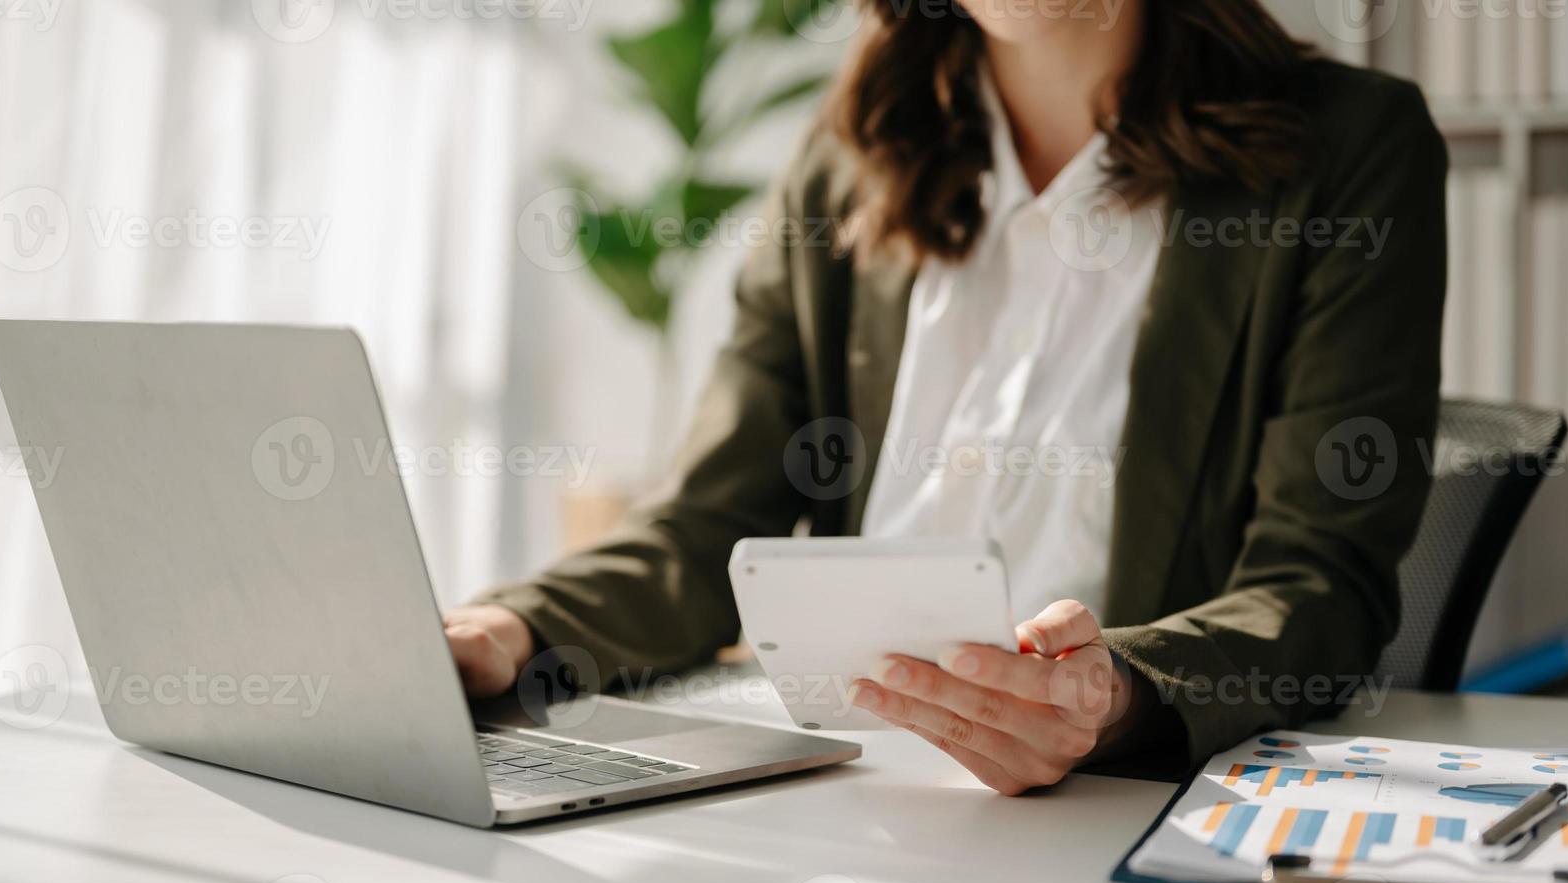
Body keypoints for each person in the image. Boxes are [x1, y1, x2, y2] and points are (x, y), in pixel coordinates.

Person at [445, 0, 1446, 794]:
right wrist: (513, 627)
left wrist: (1117, 690)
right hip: (837, 792)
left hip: (1116, 808)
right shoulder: (846, 165)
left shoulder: (1348, 151)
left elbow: (1319, 584)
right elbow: (708, 522)